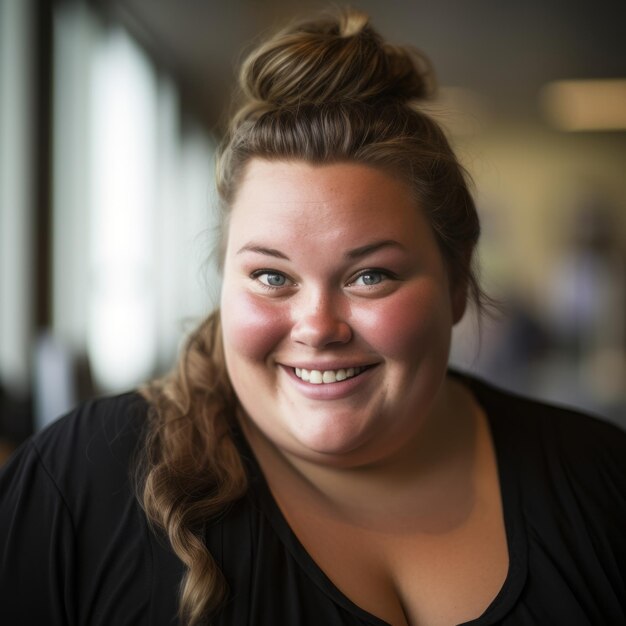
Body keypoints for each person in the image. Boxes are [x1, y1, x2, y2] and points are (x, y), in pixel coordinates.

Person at [1, 9, 624, 626]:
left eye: (370, 276)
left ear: (457, 282)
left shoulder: (598, 479)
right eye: (272, 277)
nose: (318, 326)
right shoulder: (83, 480)